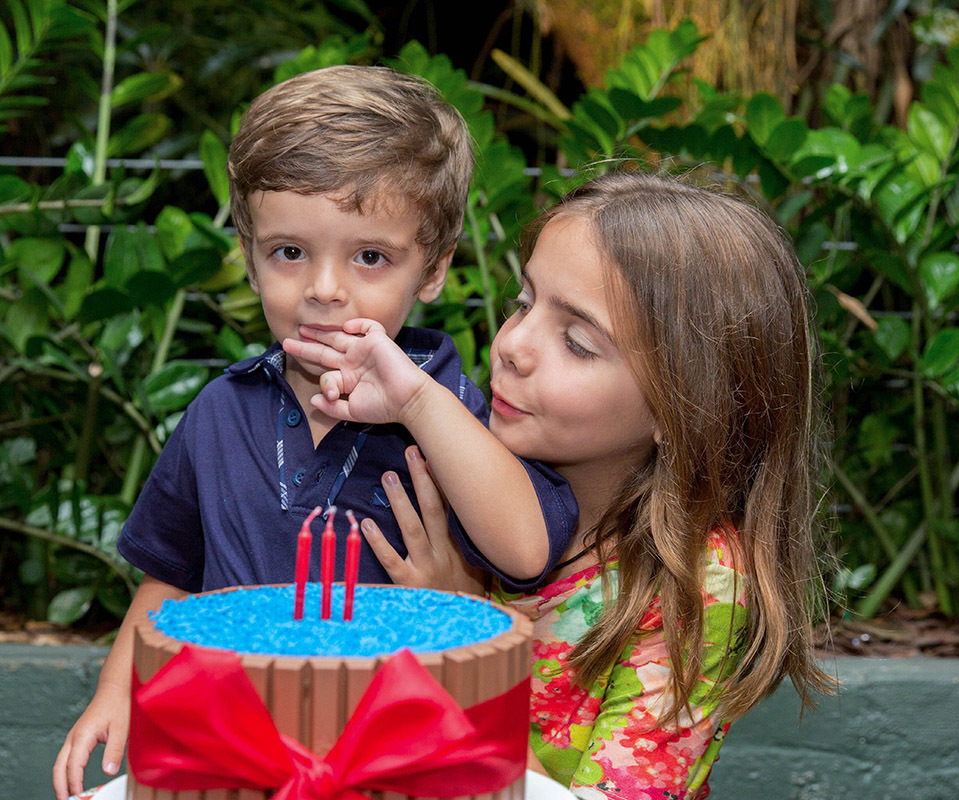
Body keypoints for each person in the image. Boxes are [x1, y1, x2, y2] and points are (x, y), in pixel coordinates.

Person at [51, 64, 577, 800]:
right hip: (232, 756)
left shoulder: (463, 414)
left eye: (370, 257)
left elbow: (525, 550)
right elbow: (169, 574)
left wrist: (419, 405)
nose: (325, 288)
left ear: (433, 269)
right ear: (250, 257)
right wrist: (118, 692)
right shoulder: (219, 414)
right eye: (290, 252)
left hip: (408, 765)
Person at [286, 171, 837, 800]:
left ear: (684, 406)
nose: (513, 346)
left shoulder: (697, 580)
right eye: (523, 304)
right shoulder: (465, 462)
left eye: (576, 343)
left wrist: (458, 639)